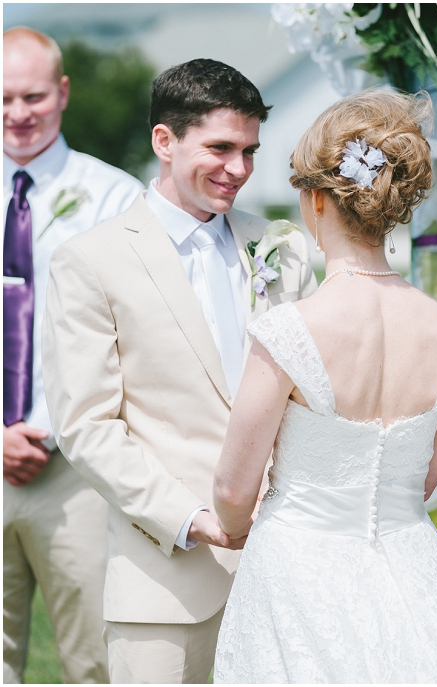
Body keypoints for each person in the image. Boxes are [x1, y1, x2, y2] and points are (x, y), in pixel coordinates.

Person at [212, 89, 437, 683]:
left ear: (315, 200)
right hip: (414, 568)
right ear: (396, 204)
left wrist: (237, 529)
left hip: (298, 576)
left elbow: (235, 489)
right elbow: (424, 478)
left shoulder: (289, 331)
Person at [41, 59, 316, 683]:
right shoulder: (89, 260)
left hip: (282, 574)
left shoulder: (279, 246)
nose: (239, 169)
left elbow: (309, 398)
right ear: (165, 141)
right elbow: (87, 426)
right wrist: (191, 519)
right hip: (161, 584)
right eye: (220, 148)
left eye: (249, 150)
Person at [3, 27, 143, 683]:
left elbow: (135, 334)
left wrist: (57, 428)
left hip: (76, 468)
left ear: (61, 93)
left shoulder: (114, 198)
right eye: (2, 99)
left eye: (31, 95)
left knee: (93, 661)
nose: (17, 114)